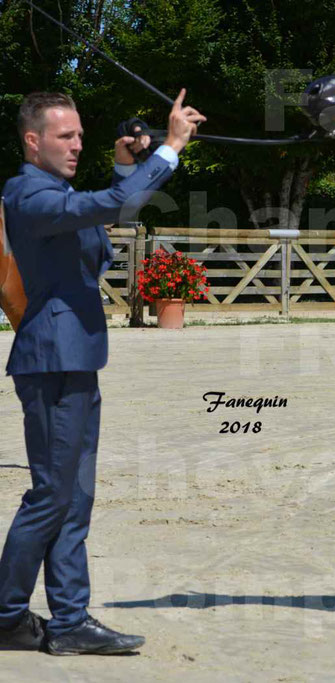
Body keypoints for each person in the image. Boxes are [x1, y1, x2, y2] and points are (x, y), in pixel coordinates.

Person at [0, 90, 204, 655]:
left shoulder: (58, 193)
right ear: (32, 141)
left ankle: (67, 622)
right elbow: (113, 205)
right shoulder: (26, 194)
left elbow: (113, 209)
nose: (76, 145)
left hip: (77, 357)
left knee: (73, 496)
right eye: (65, 137)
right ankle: (7, 615)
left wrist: (125, 162)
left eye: (81, 136)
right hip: (52, 359)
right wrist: (169, 147)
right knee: (50, 496)